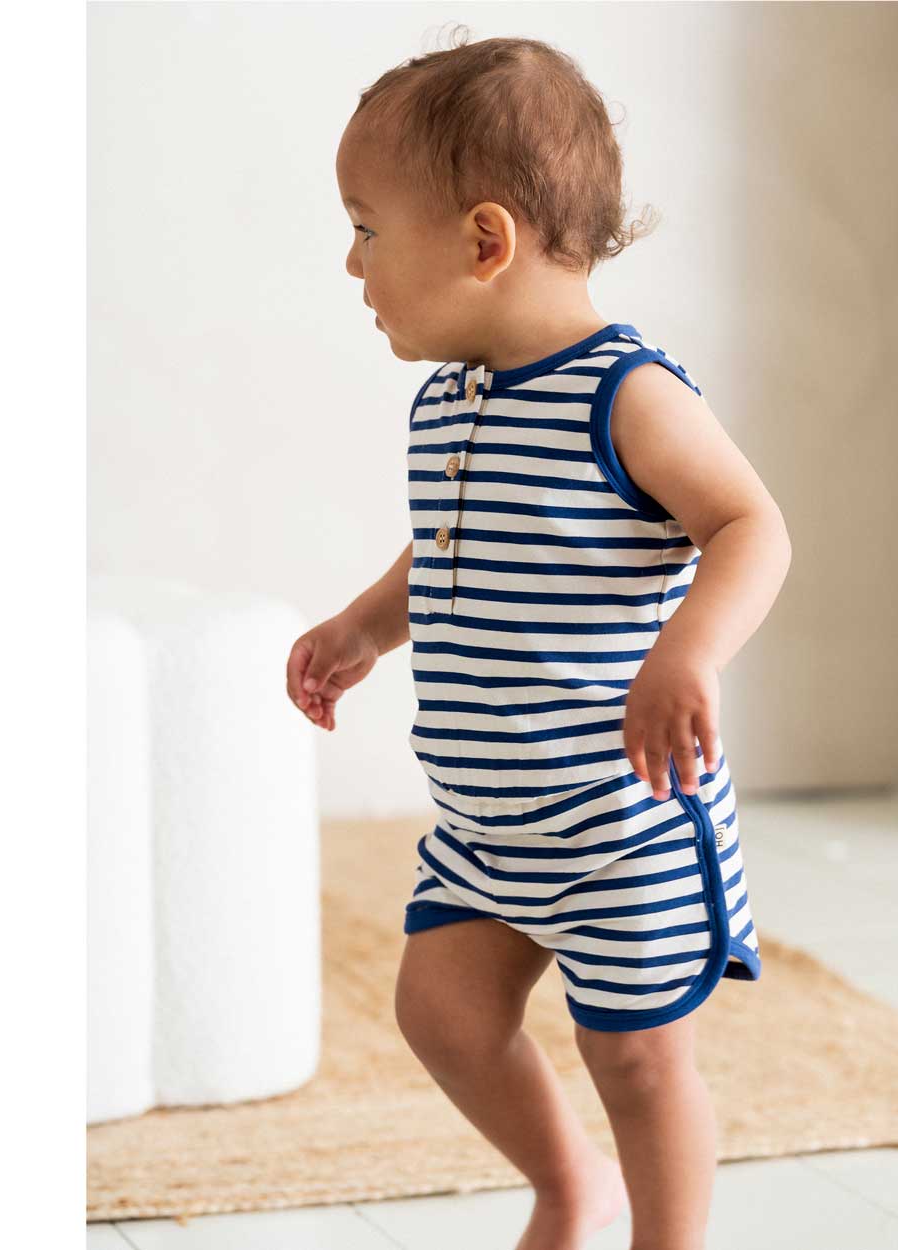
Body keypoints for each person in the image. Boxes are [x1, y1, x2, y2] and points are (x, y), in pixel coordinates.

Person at [286, 30, 791, 1250]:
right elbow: (453, 547)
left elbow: (748, 525)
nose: (351, 262)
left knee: (637, 1060)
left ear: (483, 240)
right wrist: (365, 622)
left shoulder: (627, 393)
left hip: (621, 818)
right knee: (442, 1012)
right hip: (489, 821)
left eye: (366, 228)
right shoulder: (449, 399)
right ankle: (570, 1185)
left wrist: (687, 653)